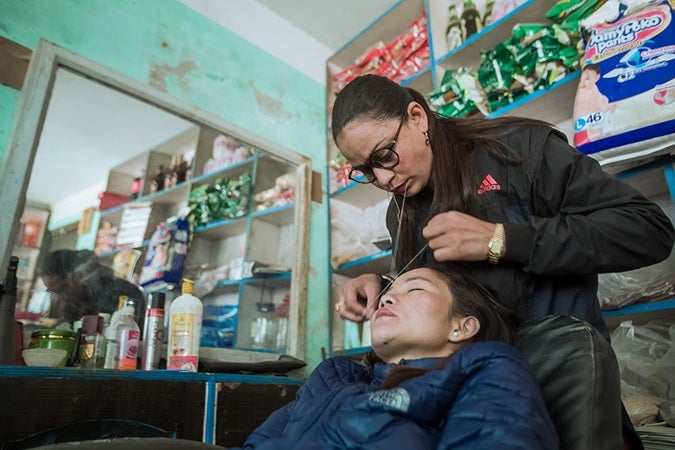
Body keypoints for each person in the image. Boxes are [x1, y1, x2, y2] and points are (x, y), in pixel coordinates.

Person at [331, 74, 675, 449]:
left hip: (562, 399)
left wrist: (501, 240)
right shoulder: (400, 211)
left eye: (385, 155)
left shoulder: (520, 151)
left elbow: (647, 229)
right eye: (365, 170)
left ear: (417, 117)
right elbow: (435, 293)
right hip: (471, 408)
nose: (382, 178)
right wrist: (382, 287)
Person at [235, 266, 558, 450]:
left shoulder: (484, 365)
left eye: (415, 289)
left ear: (463, 326)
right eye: (390, 290)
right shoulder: (333, 375)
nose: (386, 296)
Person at [41, 249, 145, 325]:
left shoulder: (123, 295)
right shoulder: (74, 304)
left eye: (63, 288)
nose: (62, 296)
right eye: (55, 292)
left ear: (79, 275)